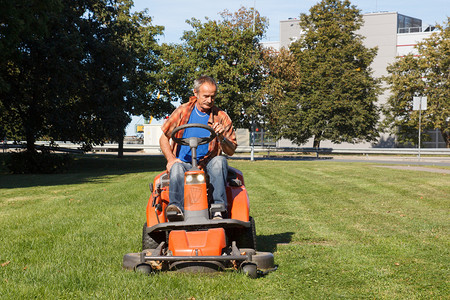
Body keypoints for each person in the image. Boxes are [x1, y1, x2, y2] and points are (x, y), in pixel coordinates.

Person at [159, 75, 237, 221]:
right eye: (206, 96)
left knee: (220, 161)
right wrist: (170, 159)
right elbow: (164, 137)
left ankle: (218, 209)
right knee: (176, 167)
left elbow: (231, 150)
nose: (209, 100)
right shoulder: (182, 111)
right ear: (196, 93)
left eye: (213, 97)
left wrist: (221, 138)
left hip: (208, 165)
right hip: (184, 164)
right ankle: (176, 208)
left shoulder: (221, 117)